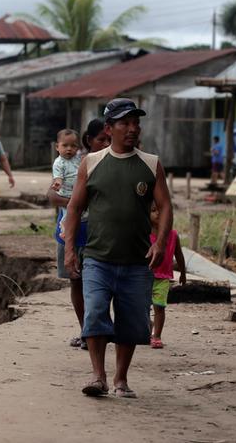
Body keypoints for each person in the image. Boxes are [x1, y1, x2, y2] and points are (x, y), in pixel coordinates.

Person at [64, 98, 172, 399]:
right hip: (98, 258)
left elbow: (165, 207)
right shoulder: (92, 163)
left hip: (138, 261)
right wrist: (70, 249)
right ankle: (98, 376)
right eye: (125, 123)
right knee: (96, 313)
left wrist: (161, 243)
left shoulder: (151, 164)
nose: (132, 129)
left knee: (132, 321)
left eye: (136, 123)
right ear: (109, 128)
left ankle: (120, 379)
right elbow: (74, 208)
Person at [48, 119, 110, 350]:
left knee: (97, 285)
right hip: (70, 231)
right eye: (101, 139)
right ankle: (87, 331)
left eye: (108, 140)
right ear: (89, 140)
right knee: (76, 282)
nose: (105, 143)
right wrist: (77, 204)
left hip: (98, 233)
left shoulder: (111, 162)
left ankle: (95, 331)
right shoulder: (75, 162)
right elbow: (53, 195)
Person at [148, 202, 186, 349]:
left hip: (163, 277)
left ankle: (157, 336)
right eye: (153, 211)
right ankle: (148, 326)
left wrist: (182, 273)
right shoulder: (145, 234)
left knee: (159, 307)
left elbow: (180, 256)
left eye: (160, 211)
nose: (157, 213)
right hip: (145, 277)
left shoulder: (173, 235)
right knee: (142, 308)